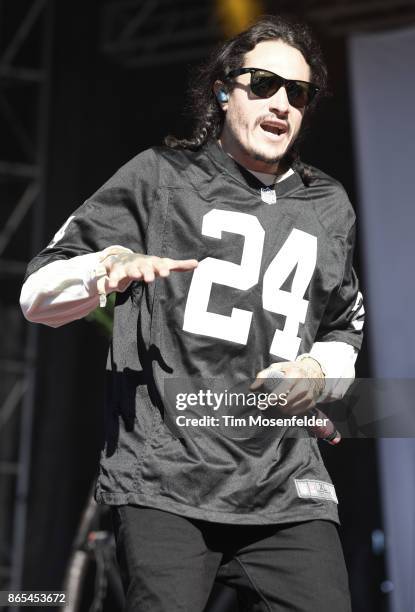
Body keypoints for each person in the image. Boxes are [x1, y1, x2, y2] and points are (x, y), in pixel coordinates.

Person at [20, 14, 364, 612]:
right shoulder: (160, 177)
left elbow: (343, 326)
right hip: (166, 479)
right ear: (223, 89)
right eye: (262, 84)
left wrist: (319, 373)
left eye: (298, 94)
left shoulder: (327, 204)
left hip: (287, 484)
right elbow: (36, 296)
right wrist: (106, 269)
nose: (282, 103)